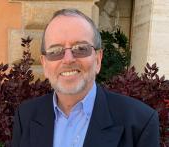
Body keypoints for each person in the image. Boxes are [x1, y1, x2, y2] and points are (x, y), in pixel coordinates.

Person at [12, 8, 160, 147]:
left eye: (81, 48)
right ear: (44, 64)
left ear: (97, 59)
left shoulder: (140, 122)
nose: (68, 59)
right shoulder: (25, 116)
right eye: (56, 50)